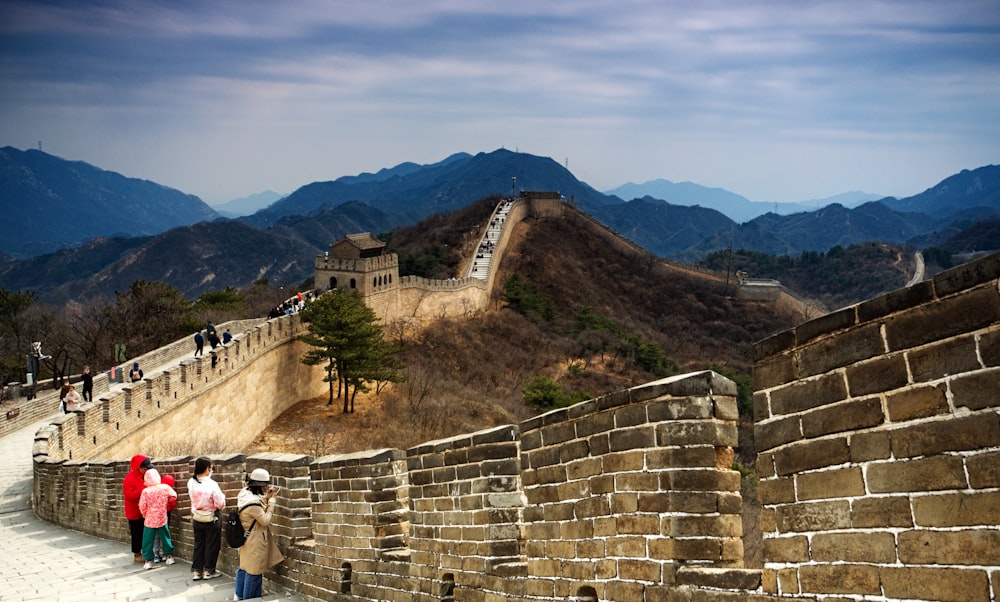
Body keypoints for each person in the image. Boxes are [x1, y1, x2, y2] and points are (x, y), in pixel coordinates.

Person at [234, 468, 284, 600]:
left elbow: (257, 502)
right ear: (261, 485)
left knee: (244, 568)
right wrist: (272, 501)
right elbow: (265, 520)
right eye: (265, 485)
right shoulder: (253, 505)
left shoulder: (244, 494)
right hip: (255, 540)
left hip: (246, 538)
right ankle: (250, 599)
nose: (266, 487)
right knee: (254, 571)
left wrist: (266, 497)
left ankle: (238, 595)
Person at [188, 457, 226, 581]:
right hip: (211, 518)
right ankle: (209, 571)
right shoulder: (212, 484)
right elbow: (220, 504)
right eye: (211, 468)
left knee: (199, 545)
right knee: (212, 545)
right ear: (206, 469)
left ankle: (197, 572)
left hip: (197, 517)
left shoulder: (191, 482)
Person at [138, 468, 177, 569]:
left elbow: (142, 505)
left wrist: (144, 514)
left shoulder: (145, 491)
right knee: (165, 537)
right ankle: (169, 556)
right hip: (162, 516)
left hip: (150, 518)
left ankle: (148, 561)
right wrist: (165, 502)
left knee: (147, 540)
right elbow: (174, 496)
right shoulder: (165, 487)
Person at [123, 455, 152, 562]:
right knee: (136, 534)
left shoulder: (145, 475)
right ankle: (137, 554)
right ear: (138, 467)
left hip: (144, 510)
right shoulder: (129, 479)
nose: (146, 470)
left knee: (146, 533)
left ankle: (146, 552)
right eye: (145, 468)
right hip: (134, 512)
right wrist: (143, 490)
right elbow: (129, 495)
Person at [152, 474, 178, 563]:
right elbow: (173, 504)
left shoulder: (154, 491)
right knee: (165, 534)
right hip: (165, 515)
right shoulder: (169, 492)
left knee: (156, 535)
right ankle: (165, 553)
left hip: (154, 516)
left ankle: (156, 554)